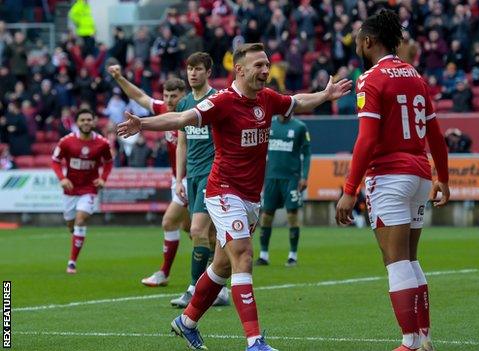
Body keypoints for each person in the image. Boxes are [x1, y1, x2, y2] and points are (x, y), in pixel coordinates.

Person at [117, 42, 351, 351]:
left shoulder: (267, 99)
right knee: (243, 254)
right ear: (239, 70)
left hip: (251, 196)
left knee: (222, 267)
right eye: (258, 66)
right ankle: (255, 341)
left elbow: (297, 101)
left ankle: (186, 322)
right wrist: (142, 124)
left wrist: (324, 95)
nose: (265, 70)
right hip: (223, 191)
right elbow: (180, 119)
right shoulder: (222, 102)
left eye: (267, 64)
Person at [335, 10, 449, 351]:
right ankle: (424, 338)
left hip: (388, 178)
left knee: (395, 261)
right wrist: (442, 177)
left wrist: (348, 190)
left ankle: (409, 342)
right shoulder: (415, 76)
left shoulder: (370, 78)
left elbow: (367, 141)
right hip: (417, 174)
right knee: (411, 259)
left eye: (358, 39)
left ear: (368, 41)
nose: (356, 43)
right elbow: (436, 135)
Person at [107, 65, 191, 287]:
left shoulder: (193, 113)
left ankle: (164, 273)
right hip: (179, 178)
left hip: (194, 178)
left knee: (169, 222)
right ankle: (215, 275)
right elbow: (140, 96)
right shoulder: (164, 109)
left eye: (175, 95)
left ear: (185, 95)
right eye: (167, 95)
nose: (170, 100)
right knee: (191, 229)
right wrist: (119, 78)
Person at [168, 52, 229, 308]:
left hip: (212, 173)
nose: (193, 73)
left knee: (196, 230)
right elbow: (182, 143)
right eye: (190, 69)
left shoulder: (216, 100)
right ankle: (221, 289)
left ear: (208, 72)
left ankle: (195, 289)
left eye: (198, 69)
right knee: (212, 234)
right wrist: (179, 179)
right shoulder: (183, 105)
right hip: (192, 176)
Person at [51, 109, 113, 274]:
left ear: (94, 121)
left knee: (80, 220)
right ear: (77, 122)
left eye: (89, 119)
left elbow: (109, 162)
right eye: (82, 120)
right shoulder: (66, 141)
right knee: (71, 223)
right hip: (70, 189)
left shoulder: (102, 143)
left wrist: (103, 179)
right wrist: (62, 179)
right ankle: (75, 233)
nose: (86, 122)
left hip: (89, 188)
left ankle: (72, 262)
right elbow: (55, 161)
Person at [256, 115, 311, 267]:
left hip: (291, 178)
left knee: (292, 215)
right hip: (271, 177)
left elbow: (306, 153)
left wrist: (304, 176)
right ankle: (263, 255)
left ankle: (292, 255)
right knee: (266, 215)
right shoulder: (268, 124)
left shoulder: (300, 127)